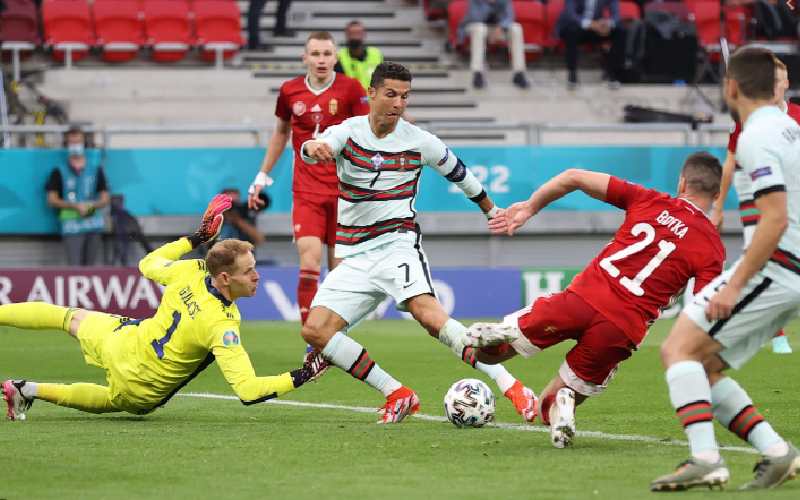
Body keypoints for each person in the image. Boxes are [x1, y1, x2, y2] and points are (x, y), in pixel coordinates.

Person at [299, 61, 537, 424]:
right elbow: (316, 144)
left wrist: (491, 210)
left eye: (405, 96)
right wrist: (314, 147)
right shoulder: (348, 132)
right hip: (355, 256)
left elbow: (460, 173)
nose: (398, 103)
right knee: (315, 331)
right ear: (372, 93)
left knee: (429, 316)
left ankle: (511, 385)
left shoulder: (419, 140)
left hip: (397, 245)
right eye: (391, 94)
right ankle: (398, 393)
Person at [464, 153, 725, 448]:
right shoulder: (712, 248)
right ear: (717, 194)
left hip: (580, 300)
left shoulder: (649, 199)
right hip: (622, 329)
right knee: (546, 409)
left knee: (488, 355)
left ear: (682, 182)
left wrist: (530, 207)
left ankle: (508, 331)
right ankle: (564, 401)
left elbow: (574, 176)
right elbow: (703, 310)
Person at [1, 194, 322, 420]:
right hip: (142, 391)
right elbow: (249, 391)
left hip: (121, 343)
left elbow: (148, 263)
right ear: (224, 278)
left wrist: (196, 238)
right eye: (248, 270)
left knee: (65, 316)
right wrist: (304, 373)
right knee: (114, 400)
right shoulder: (222, 325)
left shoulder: (190, 271)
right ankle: (31, 389)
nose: (257, 276)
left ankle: (26, 387)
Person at [651, 47, 800, 492]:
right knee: (705, 365)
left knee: (677, 349)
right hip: (786, 269)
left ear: (732, 86)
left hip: (773, 267)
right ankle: (776, 452)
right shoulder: (790, 128)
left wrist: (734, 285)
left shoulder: (757, 136)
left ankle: (705, 458)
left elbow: (774, 219)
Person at [248, 31, 369, 326]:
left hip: (344, 192)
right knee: (309, 262)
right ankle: (311, 340)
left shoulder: (351, 89)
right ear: (305, 58)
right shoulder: (290, 91)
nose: (321, 60)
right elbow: (280, 133)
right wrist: (262, 176)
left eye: (327, 54)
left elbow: (366, 133)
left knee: (339, 272)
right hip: (307, 191)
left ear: (336, 57)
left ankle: (333, 335)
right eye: (315, 54)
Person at [711, 57, 798, 354]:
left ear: (786, 83)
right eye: (771, 78)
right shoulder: (746, 123)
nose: (776, 84)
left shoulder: (797, 115)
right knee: (766, 262)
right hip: (766, 199)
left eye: (780, 78)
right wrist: (719, 206)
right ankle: (777, 335)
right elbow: (731, 162)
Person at [45, 125, 110, 266]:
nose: (75, 146)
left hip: (93, 223)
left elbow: (105, 198)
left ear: (84, 144)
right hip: (71, 226)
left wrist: (90, 206)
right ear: (67, 145)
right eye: (72, 142)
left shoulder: (95, 169)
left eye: (78, 142)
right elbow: (51, 199)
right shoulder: (58, 171)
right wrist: (74, 206)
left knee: (91, 268)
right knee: (75, 269)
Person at [456, 0, 530, 89]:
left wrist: (501, 27)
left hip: (497, 29)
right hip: (474, 26)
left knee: (516, 29)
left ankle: (519, 73)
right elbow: (475, 18)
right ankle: (477, 73)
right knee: (480, 29)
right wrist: (488, 4)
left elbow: (510, 16)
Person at [556, 0, 625, 89]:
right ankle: (572, 75)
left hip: (597, 28)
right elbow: (571, 15)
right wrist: (590, 24)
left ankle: (613, 73)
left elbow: (616, 15)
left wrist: (608, 24)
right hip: (577, 25)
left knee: (620, 31)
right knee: (571, 32)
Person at [334, 20, 384, 91]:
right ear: (346, 35)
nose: (355, 37)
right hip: (350, 101)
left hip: (372, 100)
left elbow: (383, 82)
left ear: (364, 34)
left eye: (358, 33)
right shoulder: (339, 56)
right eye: (352, 33)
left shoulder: (376, 54)